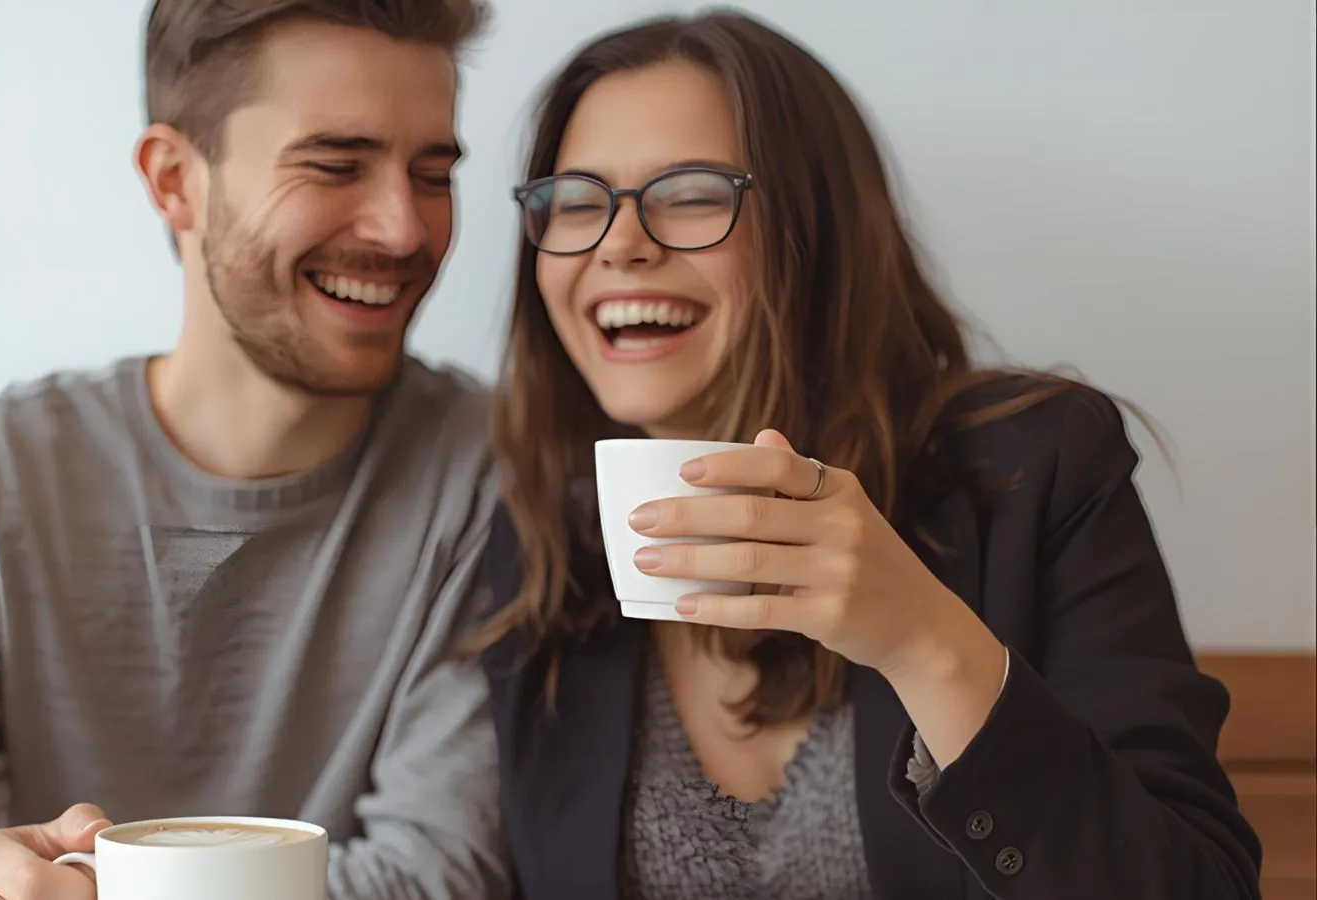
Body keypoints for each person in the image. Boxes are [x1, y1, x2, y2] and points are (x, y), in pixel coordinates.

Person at [475, 11, 1262, 900]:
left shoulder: (1036, 473)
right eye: (576, 201)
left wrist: (924, 642)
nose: (620, 242)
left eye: (690, 194)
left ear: (817, 227)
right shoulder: (540, 538)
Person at [0, 2, 510, 899]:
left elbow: (436, 877)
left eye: (433, 173)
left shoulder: (488, 471)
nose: (404, 229)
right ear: (175, 180)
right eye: (335, 164)